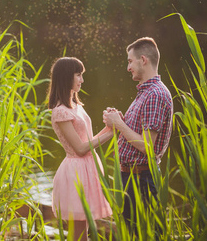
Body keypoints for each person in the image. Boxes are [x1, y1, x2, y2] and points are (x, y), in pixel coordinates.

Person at [102, 37, 173, 231]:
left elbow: (147, 147)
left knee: (144, 234)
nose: (128, 67)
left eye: (130, 61)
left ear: (143, 60)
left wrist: (119, 124)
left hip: (141, 179)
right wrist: (119, 120)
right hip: (133, 178)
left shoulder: (154, 95)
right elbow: (138, 135)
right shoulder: (145, 92)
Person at [48, 57, 113, 241]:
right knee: (78, 234)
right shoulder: (60, 111)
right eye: (78, 75)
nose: (82, 80)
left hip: (86, 170)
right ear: (66, 77)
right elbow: (80, 148)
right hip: (75, 173)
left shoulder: (76, 106)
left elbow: (89, 140)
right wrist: (113, 132)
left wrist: (110, 126)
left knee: (83, 231)